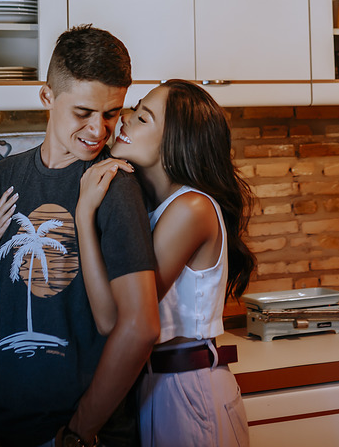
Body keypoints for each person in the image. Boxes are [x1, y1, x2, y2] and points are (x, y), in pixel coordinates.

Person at [0, 25, 159, 447]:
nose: (99, 130)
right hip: (8, 423)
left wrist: (78, 432)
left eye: (111, 113)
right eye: (84, 113)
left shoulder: (113, 184)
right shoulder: (6, 176)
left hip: (81, 433)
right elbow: (2, 294)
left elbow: (138, 327)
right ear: (47, 96)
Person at [75, 79, 256, 447]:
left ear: (175, 141)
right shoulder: (152, 206)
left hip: (188, 389)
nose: (124, 119)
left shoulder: (191, 209)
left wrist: (83, 216)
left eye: (142, 117)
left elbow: (114, 318)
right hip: (155, 386)